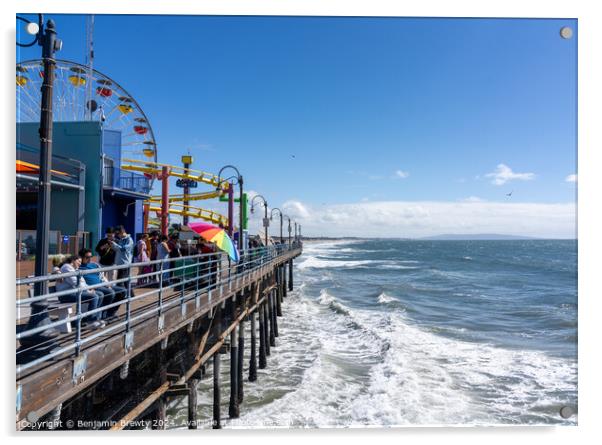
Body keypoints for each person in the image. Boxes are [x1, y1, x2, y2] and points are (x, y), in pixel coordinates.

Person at [55, 255, 105, 329]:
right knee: (94, 296)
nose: (80, 263)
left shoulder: (73, 269)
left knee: (100, 294)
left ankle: (93, 318)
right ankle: (91, 321)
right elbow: (75, 282)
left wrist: (89, 289)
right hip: (65, 295)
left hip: (73, 293)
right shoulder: (67, 267)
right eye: (79, 261)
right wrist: (88, 290)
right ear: (73, 260)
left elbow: (82, 282)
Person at [79, 248, 127, 321]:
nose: (89, 259)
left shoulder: (94, 265)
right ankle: (102, 315)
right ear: (81, 257)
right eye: (87, 257)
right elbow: (64, 267)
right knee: (110, 293)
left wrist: (107, 284)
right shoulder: (78, 266)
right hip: (92, 287)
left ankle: (110, 313)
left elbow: (102, 276)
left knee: (122, 291)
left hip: (102, 285)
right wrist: (57, 270)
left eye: (90, 257)